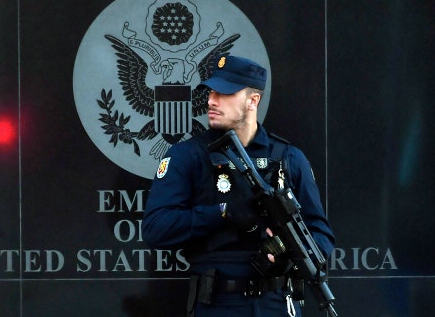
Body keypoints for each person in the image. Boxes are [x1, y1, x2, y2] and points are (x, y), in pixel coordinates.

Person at [142, 55, 335, 317]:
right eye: (211, 92)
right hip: (217, 302)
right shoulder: (187, 156)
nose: (211, 100)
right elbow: (156, 228)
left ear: (253, 100)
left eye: (224, 93)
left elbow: (320, 233)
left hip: (276, 303)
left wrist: (287, 256)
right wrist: (223, 212)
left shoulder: (289, 158)